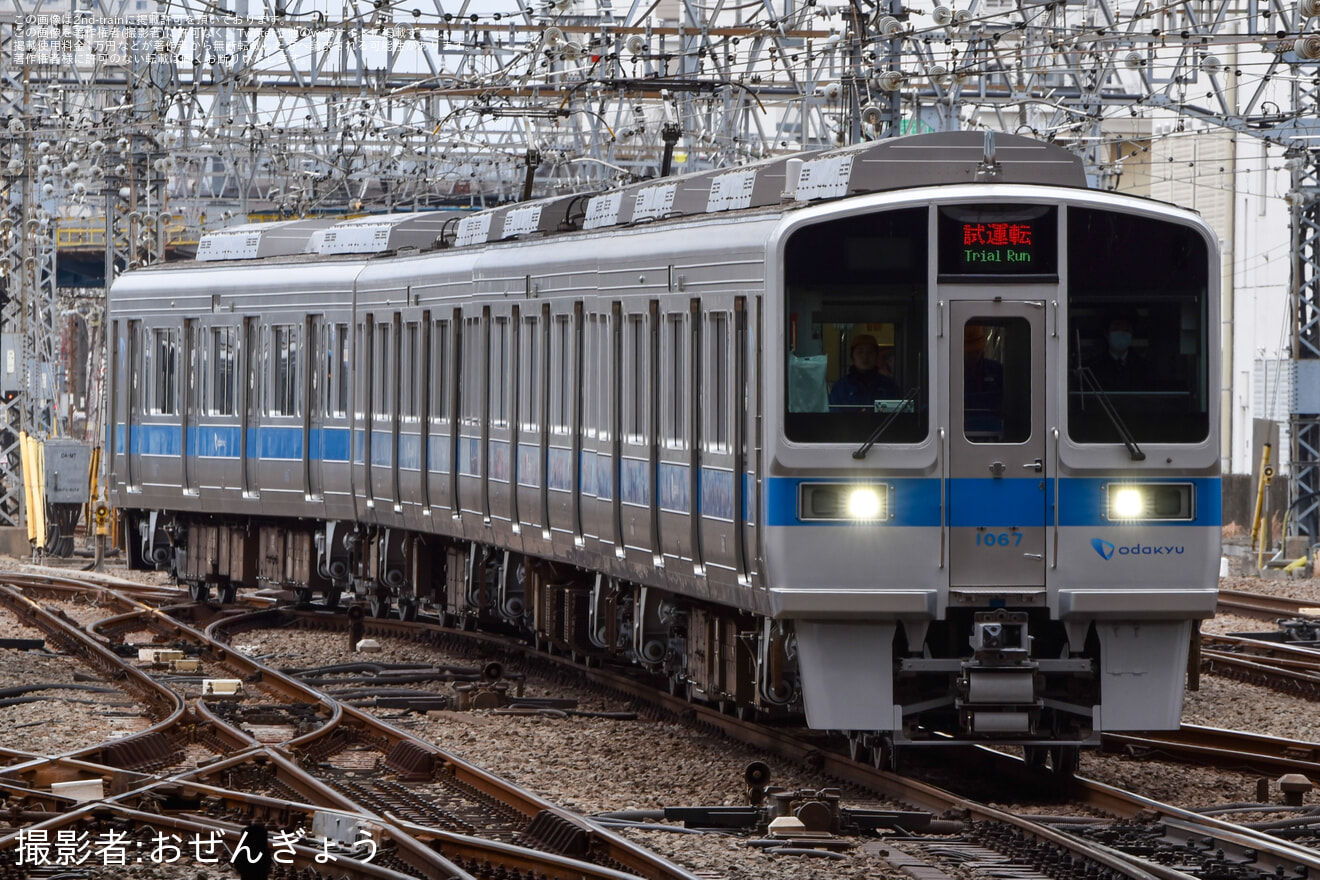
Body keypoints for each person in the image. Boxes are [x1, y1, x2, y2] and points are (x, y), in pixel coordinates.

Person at [829, 333, 901, 412]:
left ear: (876, 356)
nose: (865, 357)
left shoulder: (888, 386)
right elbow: (834, 415)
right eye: (860, 352)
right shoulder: (841, 387)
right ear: (852, 356)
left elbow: (898, 413)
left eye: (870, 352)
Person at [963, 323, 1005, 436]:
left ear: (982, 349)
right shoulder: (953, 373)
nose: (973, 356)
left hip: (995, 432)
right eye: (969, 353)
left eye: (976, 352)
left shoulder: (997, 370)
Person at [1088, 317, 1145, 391]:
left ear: (1132, 335)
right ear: (1106, 334)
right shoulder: (1092, 369)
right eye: (1116, 329)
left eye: (1126, 330)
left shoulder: (1145, 369)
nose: (1121, 334)